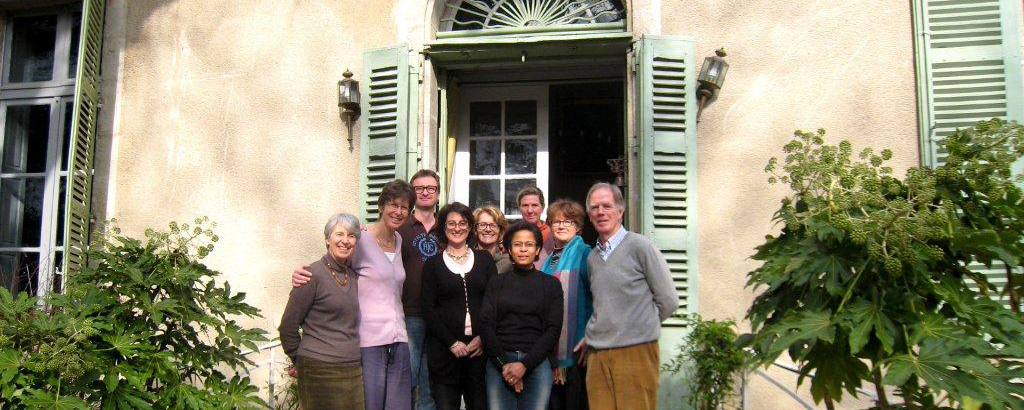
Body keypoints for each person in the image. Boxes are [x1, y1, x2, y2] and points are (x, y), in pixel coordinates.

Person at [292, 179, 416, 410]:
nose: (398, 211)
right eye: (393, 204)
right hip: (369, 341)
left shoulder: (399, 240)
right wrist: (303, 274)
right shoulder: (361, 239)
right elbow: (332, 265)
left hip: (399, 339)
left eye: (404, 207)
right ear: (381, 206)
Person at [579, 182, 679, 410]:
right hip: (598, 353)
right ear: (589, 214)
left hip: (636, 351)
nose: (601, 212)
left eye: (607, 206)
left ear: (620, 211)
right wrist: (596, 331)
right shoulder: (593, 258)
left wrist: (635, 326)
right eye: (594, 207)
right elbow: (605, 304)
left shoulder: (640, 246)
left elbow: (669, 301)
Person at [279, 213, 365, 410]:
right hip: (319, 369)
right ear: (327, 239)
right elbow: (288, 327)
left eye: (351, 236)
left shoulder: (352, 275)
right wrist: (299, 360)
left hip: (352, 368)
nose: (345, 241)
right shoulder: (311, 275)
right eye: (339, 234)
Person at [478, 221, 564, 410]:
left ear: (538, 249)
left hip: (537, 361)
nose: (523, 250)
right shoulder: (496, 283)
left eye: (529, 244)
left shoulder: (551, 285)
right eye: (517, 244)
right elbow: (485, 324)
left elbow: (553, 329)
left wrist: (524, 365)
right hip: (500, 361)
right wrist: (505, 365)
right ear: (509, 249)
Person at [420, 202, 496, 410]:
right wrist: (452, 343)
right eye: (451, 223)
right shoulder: (433, 264)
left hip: (479, 353)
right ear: (443, 228)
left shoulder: (485, 260)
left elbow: (494, 302)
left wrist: (482, 338)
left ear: (470, 227)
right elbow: (428, 308)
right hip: (445, 353)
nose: (457, 228)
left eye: (462, 223)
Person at [540, 199, 593, 410]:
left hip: (578, 348)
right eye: (556, 221)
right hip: (548, 351)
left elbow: (599, 298)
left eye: (568, 221)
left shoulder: (586, 255)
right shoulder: (548, 258)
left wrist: (592, 333)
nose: (561, 226)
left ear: (578, 226)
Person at [399, 170, 442, 410]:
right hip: (410, 313)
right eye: (419, 188)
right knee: (408, 379)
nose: (425, 192)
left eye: (431, 188)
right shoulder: (400, 225)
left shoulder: (447, 226)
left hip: (440, 315)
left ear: (438, 193)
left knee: (431, 382)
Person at [515, 186, 556, 267]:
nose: (530, 210)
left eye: (534, 205)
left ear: (543, 207)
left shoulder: (553, 234)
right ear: (519, 208)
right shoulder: (513, 233)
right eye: (525, 205)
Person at [472, 205, 512, 275]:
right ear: (475, 229)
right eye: (482, 225)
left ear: (501, 230)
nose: (488, 229)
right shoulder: (466, 258)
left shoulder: (509, 261)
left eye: (493, 225)